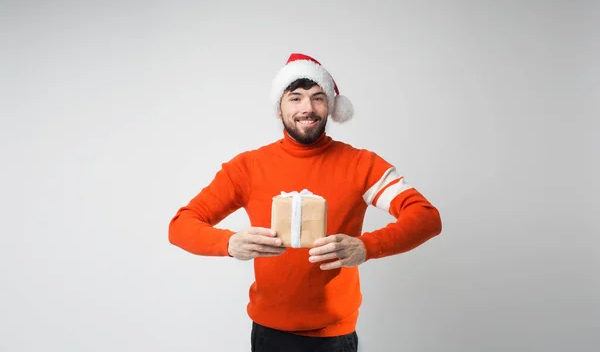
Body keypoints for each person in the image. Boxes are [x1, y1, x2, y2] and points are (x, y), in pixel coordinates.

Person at [168, 53, 442, 352]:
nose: (307, 109)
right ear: (279, 107)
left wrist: (366, 247)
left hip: (335, 335)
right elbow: (181, 225)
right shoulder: (246, 168)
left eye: (318, 98)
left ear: (332, 107)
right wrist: (230, 243)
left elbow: (426, 217)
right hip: (269, 333)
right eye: (295, 98)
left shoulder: (362, 164)